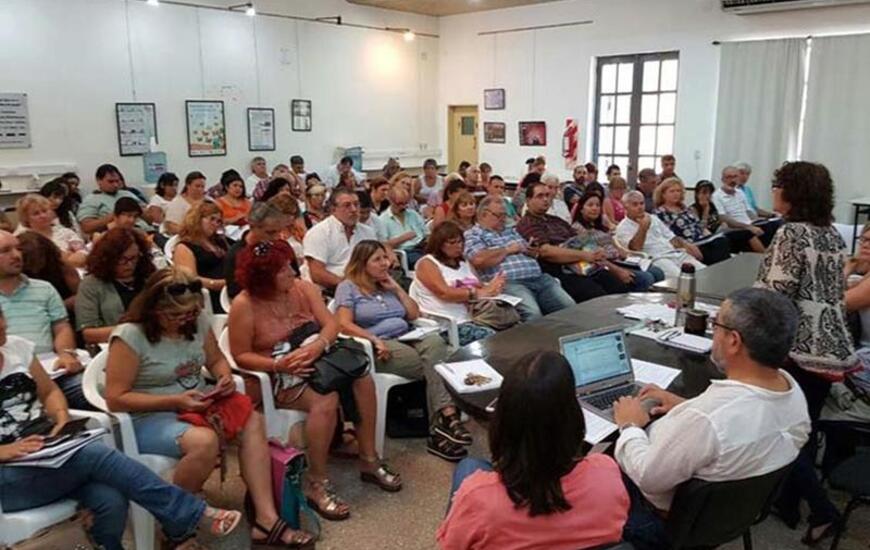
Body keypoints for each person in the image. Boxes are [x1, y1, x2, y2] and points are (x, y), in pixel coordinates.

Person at [104, 267, 315, 547]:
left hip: (198, 402)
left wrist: (224, 375)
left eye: (189, 314)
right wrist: (174, 401)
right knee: (205, 442)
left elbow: (215, 360)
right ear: (153, 309)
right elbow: (116, 397)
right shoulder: (130, 335)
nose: (183, 321)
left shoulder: (197, 322)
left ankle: (266, 518)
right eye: (175, 316)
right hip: (150, 415)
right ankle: (177, 519)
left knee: (252, 420)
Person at [0, 306, 242, 550]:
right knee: (94, 453)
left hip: (47, 453)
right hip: (9, 475)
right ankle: (188, 512)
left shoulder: (16, 347)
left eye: (1, 316)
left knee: (110, 498)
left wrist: (62, 418)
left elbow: (50, 391)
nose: (3, 325)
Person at [614, 288, 810, 550]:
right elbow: (739, 424)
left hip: (659, 522)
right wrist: (684, 405)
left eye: (715, 324)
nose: (713, 333)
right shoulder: (792, 392)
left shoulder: (707, 419)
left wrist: (629, 426)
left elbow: (647, 476)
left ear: (733, 341)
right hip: (729, 518)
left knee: (594, 464)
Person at [227, 240, 396, 521]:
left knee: (362, 379)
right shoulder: (244, 305)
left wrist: (318, 344)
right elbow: (240, 354)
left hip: (320, 358)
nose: (292, 273)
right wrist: (278, 364)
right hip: (280, 372)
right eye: (283, 270)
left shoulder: (302, 288)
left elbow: (331, 324)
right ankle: (317, 482)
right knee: (325, 401)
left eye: (291, 266)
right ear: (264, 278)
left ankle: (369, 458)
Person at [755, 161, 858, 543]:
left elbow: (776, 297)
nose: (773, 191)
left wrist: (739, 308)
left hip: (799, 346)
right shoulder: (830, 233)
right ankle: (788, 503)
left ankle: (823, 510)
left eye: (777, 185)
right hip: (831, 345)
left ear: (792, 192)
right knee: (805, 428)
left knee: (783, 432)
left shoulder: (791, 234)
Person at [437, 350, 629, 550]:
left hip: (490, 501)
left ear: (502, 420)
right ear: (573, 416)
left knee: (468, 466)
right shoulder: (607, 473)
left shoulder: (478, 497)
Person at [335, 240, 468, 462]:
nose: (385, 263)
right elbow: (343, 324)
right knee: (434, 364)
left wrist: (396, 288)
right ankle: (445, 422)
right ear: (362, 263)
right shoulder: (347, 287)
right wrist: (373, 339)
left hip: (407, 336)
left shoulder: (387, 284)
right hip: (376, 346)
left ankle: (443, 423)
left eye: (385, 258)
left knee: (436, 344)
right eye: (377, 259)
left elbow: (414, 314)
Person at [0, 230, 87, 409]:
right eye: (6, 250)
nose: (16, 255)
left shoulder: (44, 289)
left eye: (18, 248)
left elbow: (61, 326)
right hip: (10, 373)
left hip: (51, 368)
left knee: (91, 388)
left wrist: (66, 353)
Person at [464, 197, 574, 321]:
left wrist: (532, 250)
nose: (503, 219)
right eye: (499, 215)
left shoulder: (511, 231)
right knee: (533, 315)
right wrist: (507, 250)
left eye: (505, 215)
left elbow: (525, 250)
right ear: (484, 215)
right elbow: (479, 260)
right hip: (510, 282)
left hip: (539, 278)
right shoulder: (473, 234)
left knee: (570, 308)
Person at [517, 182, 632, 301]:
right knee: (597, 297)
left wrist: (613, 268)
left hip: (585, 264)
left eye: (547, 195)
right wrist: (585, 255)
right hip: (560, 270)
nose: (546, 199)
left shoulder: (557, 220)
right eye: (540, 196)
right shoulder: (528, 223)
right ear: (528, 200)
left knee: (620, 289)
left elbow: (583, 243)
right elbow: (546, 252)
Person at [412, 221, 504, 345]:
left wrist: (493, 286)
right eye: (452, 243)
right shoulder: (427, 263)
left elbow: (480, 286)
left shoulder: (464, 262)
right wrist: (477, 293)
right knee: (493, 340)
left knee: (514, 330)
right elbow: (445, 293)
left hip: (475, 317)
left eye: (460, 242)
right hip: (447, 324)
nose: (459, 246)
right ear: (439, 244)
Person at [76, 228, 155, 345]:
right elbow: (88, 333)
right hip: (115, 345)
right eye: (123, 259)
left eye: (134, 258)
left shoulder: (150, 278)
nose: (130, 264)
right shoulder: (91, 284)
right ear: (108, 258)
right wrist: (134, 331)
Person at [572, 193, 660, 290]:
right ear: (581, 209)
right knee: (646, 278)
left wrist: (633, 259)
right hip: (606, 266)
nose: (595, 208)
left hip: (620, 260)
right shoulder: (578, 229)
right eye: (590, 205)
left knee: (657, 271)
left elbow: (618, 249)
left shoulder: (600, 227)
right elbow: (595, 258)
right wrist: (617, 270)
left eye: (597, 205)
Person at [302, 188, 377, 294]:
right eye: (347, 205)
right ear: (333, 209)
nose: (354, 209)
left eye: (356, 204)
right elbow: (317, 273)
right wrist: (350, 287)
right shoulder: (319, 233)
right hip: (331, 290)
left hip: (366, 285)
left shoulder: (368, 232)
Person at [615, 191, 705, 278]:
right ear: (625, 207)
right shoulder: (623, 227)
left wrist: (687, 246)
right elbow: (635, 249)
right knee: (679, 277)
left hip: (675, 253)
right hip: (655, 258)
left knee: (704, 272)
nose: (640, 207)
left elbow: (672, 238)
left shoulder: (653, 218)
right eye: (635, 204)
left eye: (642, 203)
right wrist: (643, 227)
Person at [653, 178, 731, 265]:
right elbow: (668, 236)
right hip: (687, 245)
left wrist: (711, 237)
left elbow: (699, 227)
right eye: (672, 191)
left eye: (678, 191)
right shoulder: (660, 213)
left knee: (723, 239)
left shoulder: (685, 208)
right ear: (663, 194)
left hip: (701, 240)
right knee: (719, 245)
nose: (676, 194)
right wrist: (687, 246)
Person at [225, 201, 288, 299]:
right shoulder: (235, 255)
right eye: (270, 232)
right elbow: (235, 295)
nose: (276, 237)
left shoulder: (281, 246)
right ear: (252, 227)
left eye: (279, 231)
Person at [173, 202, 228, 314]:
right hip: (208, 294)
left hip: (228, 288)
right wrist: (218, 283)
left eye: (218, 221)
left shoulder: (220, 241)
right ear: (197, 219)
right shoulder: (184, 247)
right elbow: (190, 279)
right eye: (211, 219)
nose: (215, 224)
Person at [15, 194, 86, 268]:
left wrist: (71, 258)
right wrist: (66, 257)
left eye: (45, 211)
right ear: (26, 218)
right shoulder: (22, 239)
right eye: (36, 213)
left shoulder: (66, 233)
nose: (43, 215)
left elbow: (83, 254)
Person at [77, 164, 148, 236]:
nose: (115, 185)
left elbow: (151, 219)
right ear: (98, 180)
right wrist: (117, 215)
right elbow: (86, 227)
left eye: (117, 181)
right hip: (118, 235)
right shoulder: (91, 200)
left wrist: (139, 210)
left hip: (146, 231)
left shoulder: (128, 194)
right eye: (111, 181)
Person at [18, 231, 80, 312]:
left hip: (62, 311)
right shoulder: (15, 272)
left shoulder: (62, 267)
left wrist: (59, 305)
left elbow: (81, 295)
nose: (35, 263)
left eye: (39, 257)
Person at [712, 166, 768, 252]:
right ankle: (765, 257)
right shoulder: (717, 196)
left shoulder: (740, 192)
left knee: (771, 225)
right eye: (729, 177)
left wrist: (758, 221)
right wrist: (748, 227)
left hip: (748, 224)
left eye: (735, 177)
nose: (732, 180)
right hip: (733, 228)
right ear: (722, 179)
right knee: (748, 233)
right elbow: (724, 219)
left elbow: (749, 211)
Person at [164, 171, 207, 236]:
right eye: (197, 186)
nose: (200, 189)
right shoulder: (177, 203)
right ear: (188, 185)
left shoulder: (208, 201)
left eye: (202, 187)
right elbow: (171, 226)